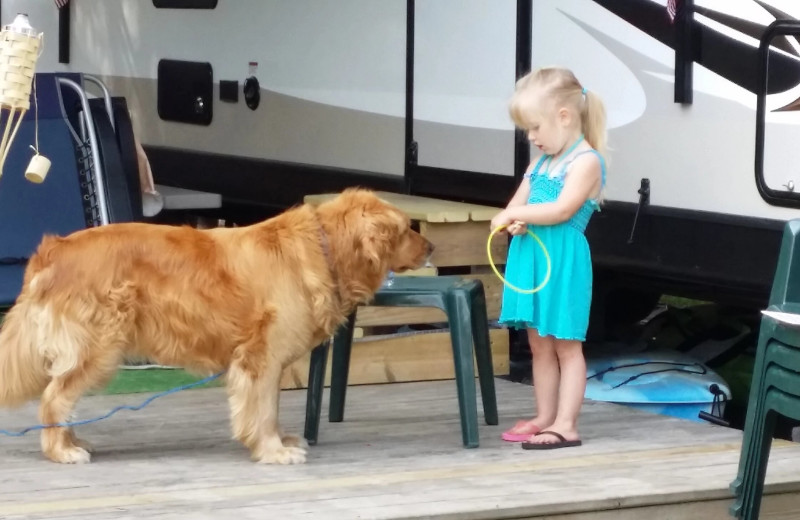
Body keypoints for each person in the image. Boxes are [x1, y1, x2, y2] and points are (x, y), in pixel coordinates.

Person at [490, 66, 607, 450]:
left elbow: (561, 210)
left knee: (566, 344)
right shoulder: (539, 163)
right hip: (533, 259)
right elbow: (515, 206)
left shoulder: (586, 161)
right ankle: (544, 415)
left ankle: (566, 423)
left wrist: (518, 216)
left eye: (535, 127)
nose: (531, 137)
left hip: (562, 262)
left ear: (564, 116)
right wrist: (512, 222)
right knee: (539, 344)